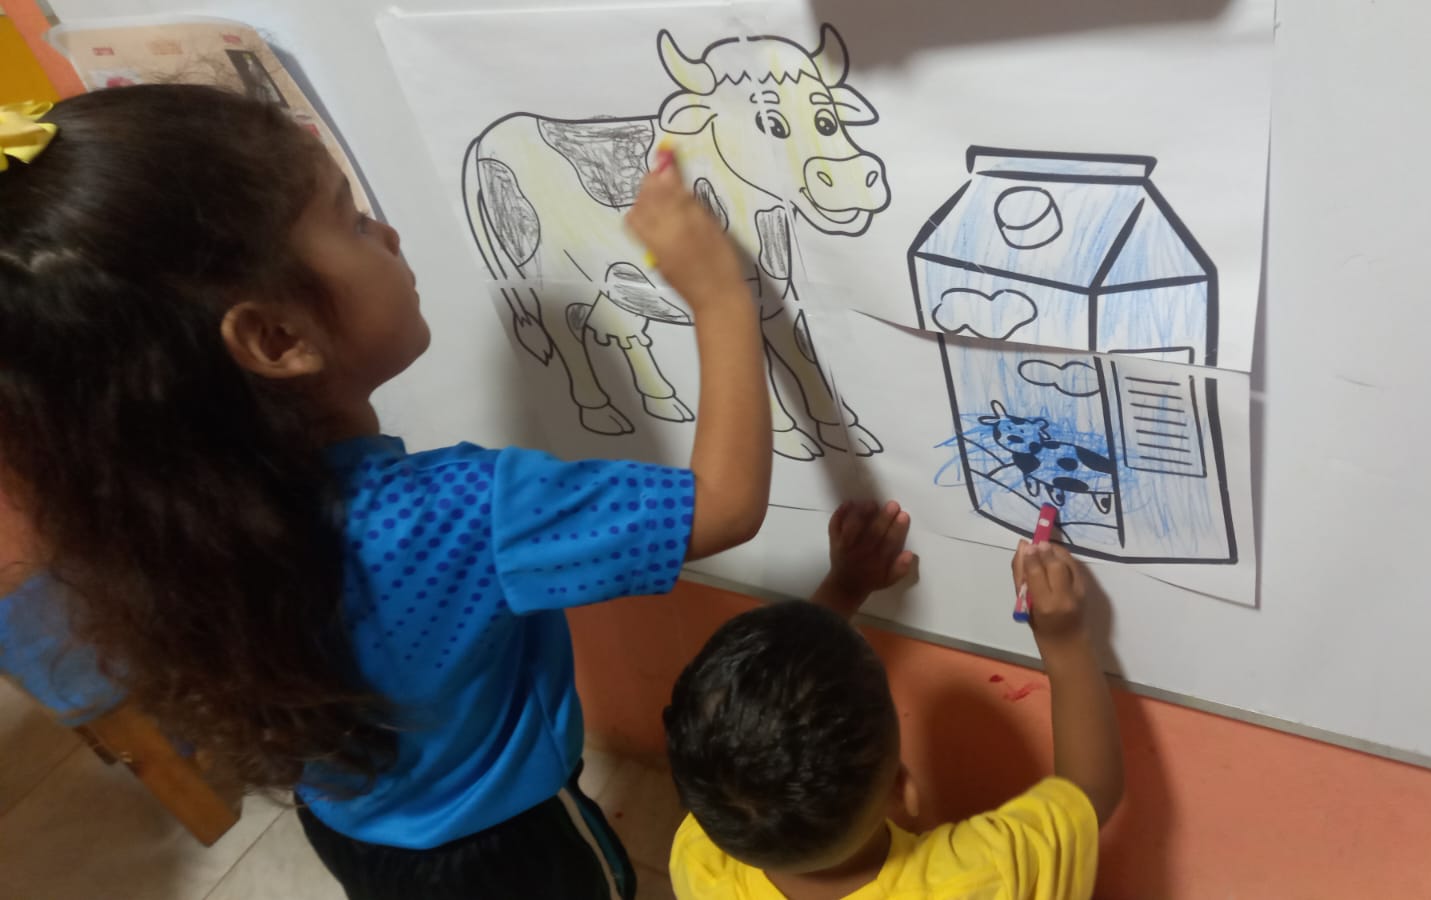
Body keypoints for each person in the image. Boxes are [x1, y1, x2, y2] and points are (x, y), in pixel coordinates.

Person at [0, 84, 772, 899]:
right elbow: (723, 506)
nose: (391, 232)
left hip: (357, 835)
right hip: (512, 855)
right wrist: (719, 293)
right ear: (278, 337)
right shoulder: (457, 513)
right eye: (354, 221)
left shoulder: (149, 527)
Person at [665, 502, 1123, 900]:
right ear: (904, 788)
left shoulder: (700, 860)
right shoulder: (981, 875)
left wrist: (843, 587)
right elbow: (1090, 792)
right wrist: (1064, 640)